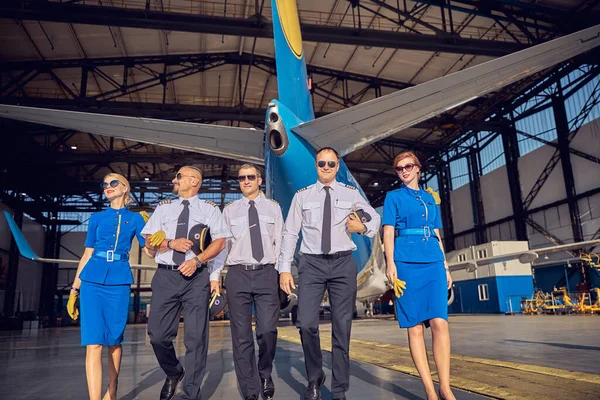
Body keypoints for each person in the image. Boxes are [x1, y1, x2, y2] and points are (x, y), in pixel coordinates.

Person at [279, 147, 381, 400]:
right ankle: (315, 376)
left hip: (342, 264)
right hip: (311, 265)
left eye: (331, 164)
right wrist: (283, 269)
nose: (326, 167)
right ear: (316, 165)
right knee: (305, 323)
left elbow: (374, 217)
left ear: (337, 167)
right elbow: (290, 232)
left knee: (342, 327)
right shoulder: (302, 196)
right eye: (322, 163)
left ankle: (339, 390)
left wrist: (363, 227)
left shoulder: (350, 194)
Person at [142, 166, 229, 400]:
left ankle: (190, 394)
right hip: (166, 276)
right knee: (158, 335)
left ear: (194, 181)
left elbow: (220, 242)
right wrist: (170, 243)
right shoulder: (163, 208)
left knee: (196, 338)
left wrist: (199, 262)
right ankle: (173, 372)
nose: (174, 179)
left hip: (196, 277)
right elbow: (150, 241)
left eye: (179, 176)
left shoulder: (210, 210)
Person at [67, 173, 147, 400]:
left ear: (125, 188)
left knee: (114, 340)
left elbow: (150, 250)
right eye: (105, 184)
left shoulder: (137, 219)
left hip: (119, 281)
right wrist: (74, 289)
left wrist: (153, 235)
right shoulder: (96, 218)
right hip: (92, 280)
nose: (107, 187)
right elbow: (87, 254)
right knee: (93, 343)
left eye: (113, 183)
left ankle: (112, 389)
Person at [382, 151, 455, 400]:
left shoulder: (429, 198)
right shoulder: (393, 198)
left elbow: (436, 233)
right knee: (414, 328)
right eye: (399, 168)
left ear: (418, 168)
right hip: (406, 264)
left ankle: (445, 387)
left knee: (439, 323)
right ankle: (429, 390)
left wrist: (446, 266)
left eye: (408, 166)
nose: (404, 171)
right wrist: (390, 264)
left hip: (433, 262)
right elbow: (388, 232)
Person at [222, 163, 284, 400]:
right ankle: (250, 390)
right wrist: (215, 278)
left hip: (267, 272)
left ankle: (264, 372)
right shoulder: (229, 211)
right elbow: (221, 248)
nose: (245, 181)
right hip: (237, 273)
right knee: (241, 336)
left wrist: (281, 272)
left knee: (267, 330)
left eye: (250, 177)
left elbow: (281, 242)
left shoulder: (273, 209)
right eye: (241, 178)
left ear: (260, 180)